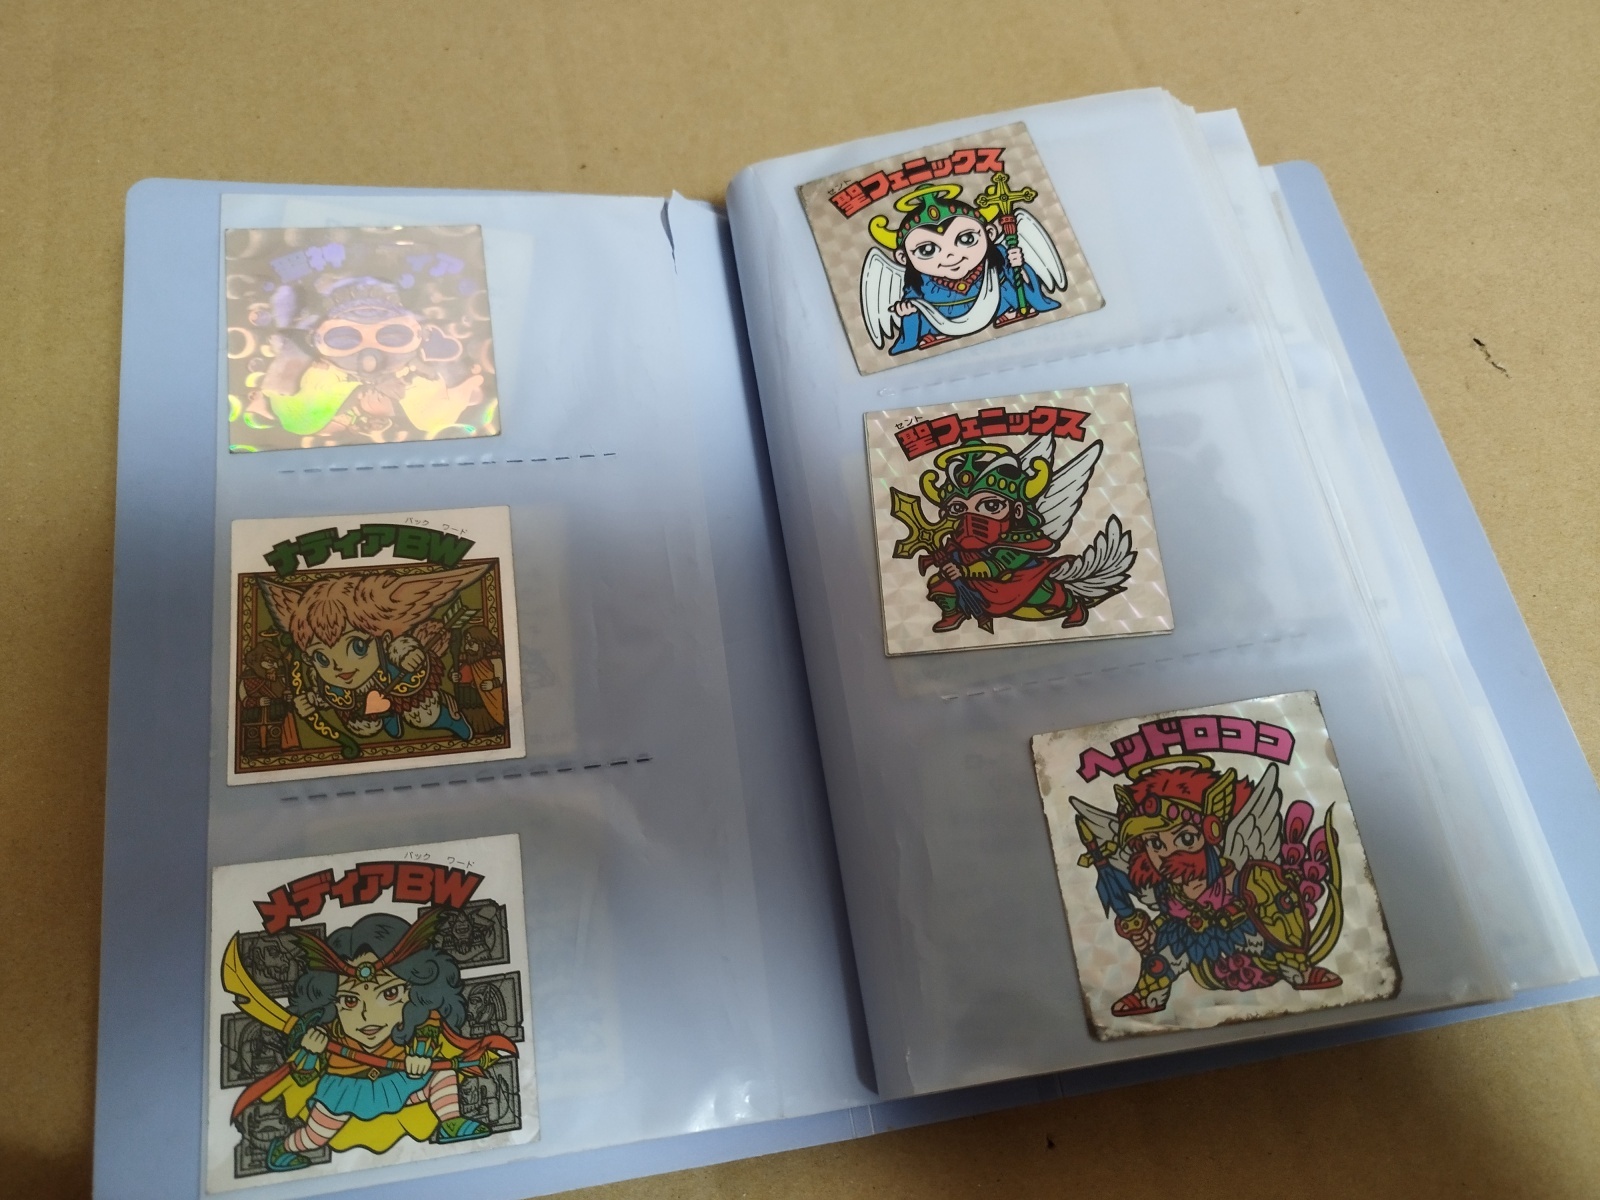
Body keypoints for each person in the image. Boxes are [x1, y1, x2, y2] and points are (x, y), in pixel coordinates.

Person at [227, 911, 517, 1171]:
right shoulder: (326, 1034)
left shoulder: (420, 1021)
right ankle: (283, 1149)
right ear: (331, 1001)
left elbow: (429, 1034)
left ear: (413, 992)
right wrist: (311, 1052)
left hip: (399, 1085)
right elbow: (303, 1077)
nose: (367, 1015)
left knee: (442, 1074)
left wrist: (420, 1056)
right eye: (350, 1000)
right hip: (345, 1091)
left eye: (389, 994)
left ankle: (451, 1122)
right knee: (313, 1138)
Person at [256, 565, 483, 748]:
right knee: (363, 728)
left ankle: (449, 718)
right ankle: (387, 717)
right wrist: (310, 701)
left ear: (381, 638)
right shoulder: (323, 679)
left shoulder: (387, 642)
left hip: (401, 684)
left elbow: (399, 645)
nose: (339, 667)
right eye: (322, 658)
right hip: (364, 704)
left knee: (424, 717)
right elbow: (326, 696)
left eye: (357, 647)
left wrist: (409, 654)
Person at [859, 183, 1065, 355]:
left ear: (990, 233)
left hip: (1006, 317)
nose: (951, 255)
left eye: (966, 239)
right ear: (903, 258)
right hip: (942, 325)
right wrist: (908, 310)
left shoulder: (999, 256)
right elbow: (913, 304)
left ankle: (1009, 311)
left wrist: (1018, 265)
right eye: (927, 250)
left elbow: (1017, 280)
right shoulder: (919, 282)